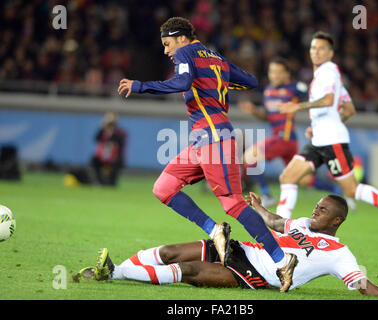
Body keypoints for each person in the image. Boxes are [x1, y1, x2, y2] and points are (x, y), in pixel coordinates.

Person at [117, 17, 296, 291]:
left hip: (215, 136)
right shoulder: (216, 58)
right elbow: (250, 81)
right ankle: (215, 230)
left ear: (180, 38)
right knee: (163, 187)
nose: (166, 51)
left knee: (233, 204)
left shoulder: (186, 52)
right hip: (203, 139)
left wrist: (141, 85)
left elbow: (182, 82)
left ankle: (282, 260)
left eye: (167, 44)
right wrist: (218, 82)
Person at [75, 193, 378, 300]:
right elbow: (276, 223)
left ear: (337, 220)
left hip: (256, 275)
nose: (315, 210)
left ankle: (114, 271)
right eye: (317, 205)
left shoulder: (340, 253)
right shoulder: (303, 224)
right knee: (169, 252)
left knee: (190, 272)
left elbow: (360, 284)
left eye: (322, 209)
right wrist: (258, 207)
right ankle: (115, 271)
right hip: (243, 250)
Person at [277, 31, 378, 241]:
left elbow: (327, 100)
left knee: (352, 190)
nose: (316, 52)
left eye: (321, 48)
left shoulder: (328, 71)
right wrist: (320, 125)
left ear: (331, 53)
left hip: (332, 142)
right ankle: (278, 231)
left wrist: (296, 106)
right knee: (288, 177)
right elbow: (350, 109)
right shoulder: (328, 76)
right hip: (320, 140)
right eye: (313, 48)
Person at [238, 57, 342, 208]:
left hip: (284, 138)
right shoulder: (268, 91)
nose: (275, 75)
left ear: (287, 74)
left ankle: (266, 195)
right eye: (272, 72)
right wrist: (254, 111)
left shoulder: (295, 88)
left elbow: (316, 94)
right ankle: (336, 189)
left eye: (279, 72)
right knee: (302, 179)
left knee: (249, 156)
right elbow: (267, 116)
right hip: (287, 141)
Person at [91, 112, 126, 186]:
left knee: (117, 161)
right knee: (94, 159)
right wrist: (103, 126)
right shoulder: (103, 132)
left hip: (114, 157)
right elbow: (96, 138)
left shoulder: (119, 133)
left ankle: (111, 182)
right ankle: (99, 181)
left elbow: (121, 142)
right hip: (103, 157)